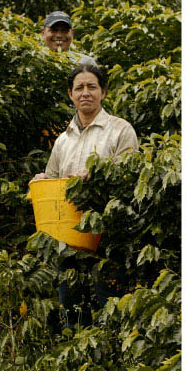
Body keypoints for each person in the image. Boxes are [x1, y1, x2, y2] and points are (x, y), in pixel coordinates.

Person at [32, 64, 139, 327]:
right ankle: (76, 360)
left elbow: (130, 175)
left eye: (92, 86)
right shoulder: (62, 140)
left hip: (108, 233)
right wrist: (42, 180)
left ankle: (115, 360)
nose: (85, 93)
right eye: (79, 88)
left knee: (110, 302)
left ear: (103, 92)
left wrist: (95, 175)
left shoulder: (120, 130)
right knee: (71, 303)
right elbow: (54, 180)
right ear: (70, 94)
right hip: (68, 234)